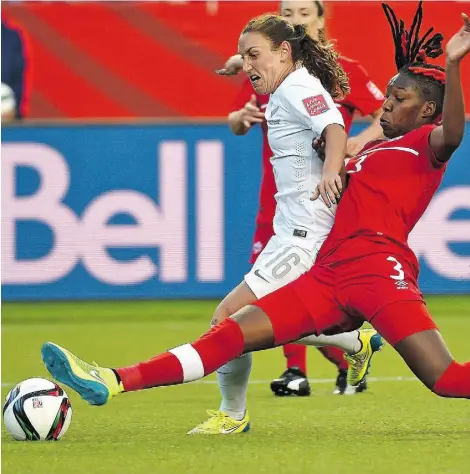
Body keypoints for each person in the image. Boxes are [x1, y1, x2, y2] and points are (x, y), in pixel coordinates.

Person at [41, 0, 470, 436]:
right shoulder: (369, 151)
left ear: (428, 113)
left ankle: (243, 406)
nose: (386, 105)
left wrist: (453, 64)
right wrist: (251, 69)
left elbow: (454, 131)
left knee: (445, 379)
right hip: (330, 272)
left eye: (399, 99)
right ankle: (112, 380)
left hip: (380, 272)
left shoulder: (425, 147)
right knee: (229, 332)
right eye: (389, 96)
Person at [221, 0, 385, 396]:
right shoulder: (265, 71)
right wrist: (239, 119)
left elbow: (384, 114)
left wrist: (356, 142)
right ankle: (337, 356)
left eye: (303, 14)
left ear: (321, 20)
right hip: (275, 198)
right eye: (287, 14)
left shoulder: (335, 74)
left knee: (274, 297)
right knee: (280, 294)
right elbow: (237, 119)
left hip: (317, 200)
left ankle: (305, 367)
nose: (294, 21)